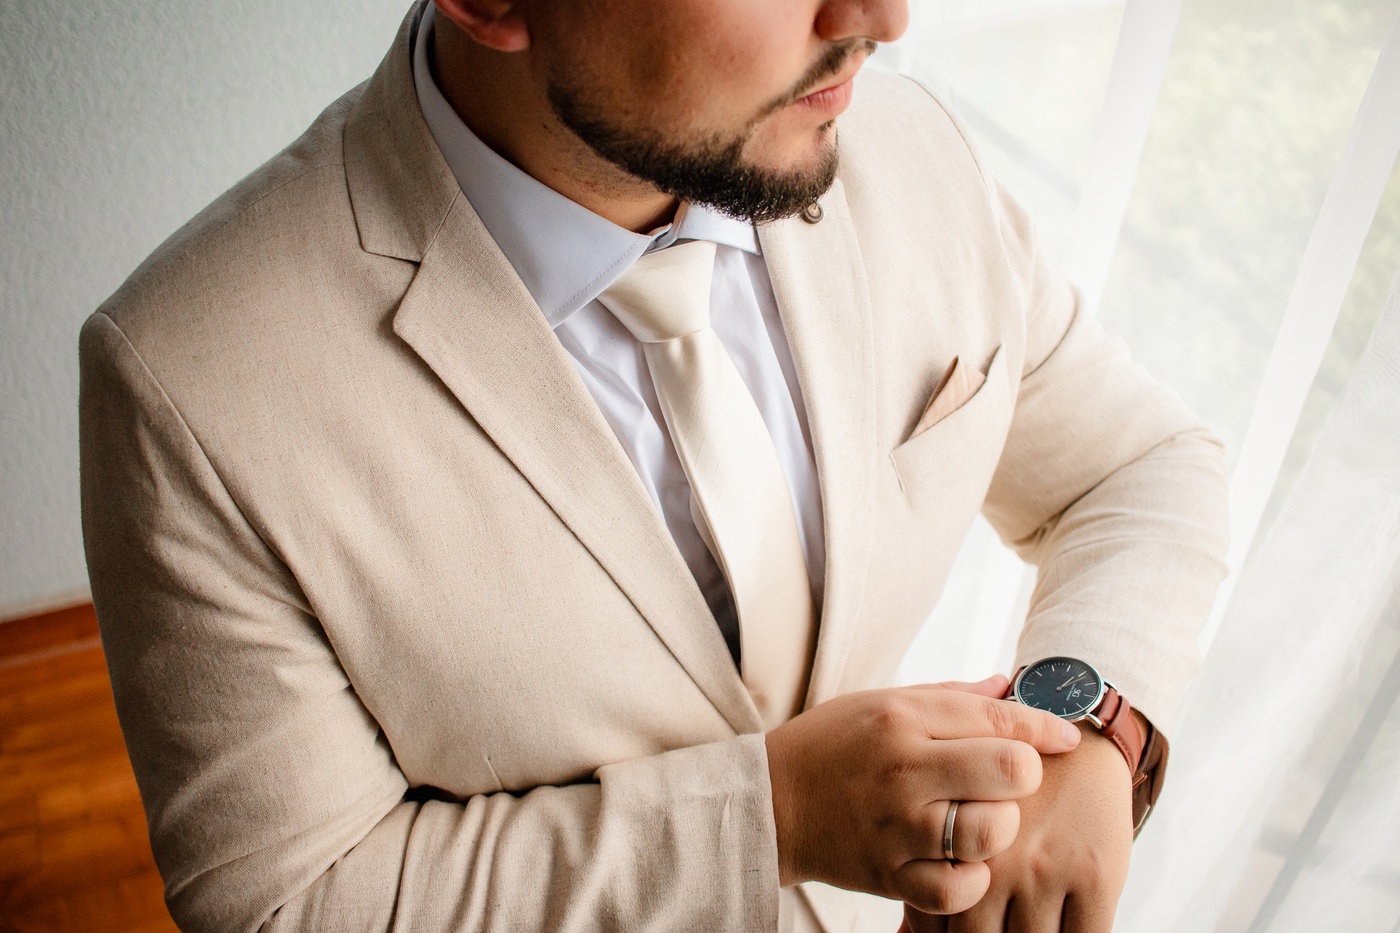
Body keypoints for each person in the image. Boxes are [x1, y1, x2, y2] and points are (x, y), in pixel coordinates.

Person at [78, 0, 1229, 930]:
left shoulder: (906, 146)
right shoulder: (188, 381)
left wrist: (1085, 729)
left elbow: (1137, 466)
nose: (882, 19)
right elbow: (289, 903)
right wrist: (775, 819)